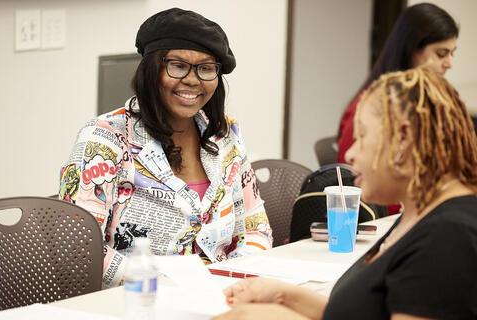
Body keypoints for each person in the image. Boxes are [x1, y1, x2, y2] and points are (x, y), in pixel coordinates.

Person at [212, 67, 477, 320]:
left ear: (403, 138)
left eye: (362, 136)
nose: (350, 153)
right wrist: (284, 295)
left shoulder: (449, 236)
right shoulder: (422, 214)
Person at [59, 8, 272, 288]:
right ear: (151, 70)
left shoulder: (226, 136)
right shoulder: (104, 138)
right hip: (135, 301)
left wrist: (229, 282)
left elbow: (257, 231)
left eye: (206, 68)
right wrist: (169, 283)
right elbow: (78, 248)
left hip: (219, 298)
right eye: (178, 65)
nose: (193, 80)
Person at [338, 2, 458, 164]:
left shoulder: (427, 102)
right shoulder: (371, 105)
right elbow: (348, 173)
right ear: (412, 49)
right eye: (441, 54)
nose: (449, 63)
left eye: (452, 54)